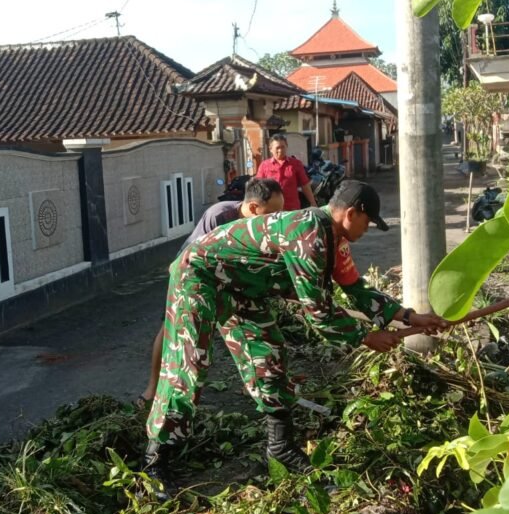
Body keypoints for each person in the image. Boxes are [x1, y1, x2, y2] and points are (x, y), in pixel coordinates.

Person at [143, 179, 449, 496]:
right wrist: (366, 336)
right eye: (368, 221)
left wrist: (410, 317)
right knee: (190, 363)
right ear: (352, 213)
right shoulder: (310, 230)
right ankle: (154, 464)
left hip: (240, 286)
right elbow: (318, 309)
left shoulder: (336, 240)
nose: (367, 229)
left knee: (268, 355)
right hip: (199, 275)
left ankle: (281, 448)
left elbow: (356, 289)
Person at [137, 177, 285, 408]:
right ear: (255, 207)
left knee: (249, 330)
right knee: (170, 330)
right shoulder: (220, 215)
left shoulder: (260, 228)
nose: (275, 220)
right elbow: (192, 258)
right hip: (191, 278)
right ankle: (154, 389)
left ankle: (254, 386)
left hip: (228, 281)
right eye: (272, 213)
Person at [254, 134, 317, 211]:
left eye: (282, 147)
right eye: (277, 148)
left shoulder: (296, 164)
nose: (280, 150)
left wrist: (313, 202)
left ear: (286, 146)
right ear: (270, 149)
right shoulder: (264, 165)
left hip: (292, 208)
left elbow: (305, 185)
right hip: (271, 209)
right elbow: (259, 188)